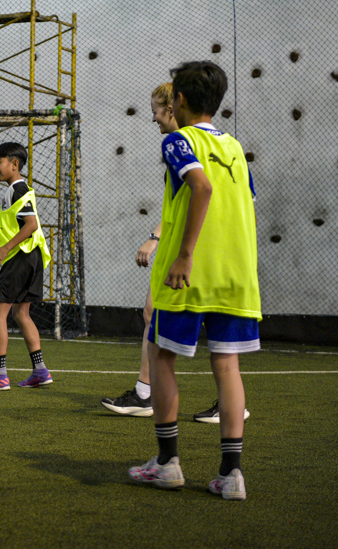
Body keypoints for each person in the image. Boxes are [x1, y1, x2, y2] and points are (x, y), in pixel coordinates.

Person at [127, 62, 261, 501]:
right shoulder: (236, 147)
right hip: (235, 274)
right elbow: (242, 199)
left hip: (189, 275)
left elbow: (200, 187)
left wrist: (183, 254)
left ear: (178, 100)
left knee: (160, 355)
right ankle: (231, 474)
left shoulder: (177, 140)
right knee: (227, 365)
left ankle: (167, 464)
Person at [100, 83, 251, 424]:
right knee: (162, 317)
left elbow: (203, 193)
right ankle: (220, 413)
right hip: (219, 254)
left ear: (174, 107)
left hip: (198, 252)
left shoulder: (183, 143)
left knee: (166, 326)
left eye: (156, 109)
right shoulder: (224, 144)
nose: (152, 116)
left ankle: (156, 417)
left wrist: (171, 247)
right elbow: (188, 203)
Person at [0, 142, 52, 391]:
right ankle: (40, 371)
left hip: (20, 257)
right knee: (20, 313)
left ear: (14, 164)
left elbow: (31, 224)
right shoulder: (17, 189)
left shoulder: (17, 189)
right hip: (32, 256)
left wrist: (5, 249)